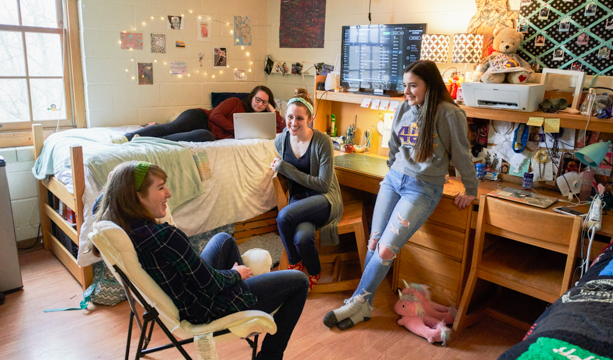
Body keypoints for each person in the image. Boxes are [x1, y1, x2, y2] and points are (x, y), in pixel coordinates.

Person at [95, 161, 308, 359]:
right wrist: (235, 274)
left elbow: (100, 204)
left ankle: (244, 301)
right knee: (299, 280)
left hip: (186, 290)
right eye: (160, 188)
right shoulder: (165, 237)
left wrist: (116, 180)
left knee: (224, 240)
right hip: (202, 306)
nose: (168, 194)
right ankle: (266, 350)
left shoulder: (124, 224)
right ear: (137, 197)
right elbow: (210, 283)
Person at [323, 60, 478, 330]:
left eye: (413, 85)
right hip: (394, 180)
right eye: (404, 85)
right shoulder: (404, 107)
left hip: (423, 188)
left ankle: (358, 302)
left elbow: (462, 154)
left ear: (430, 85)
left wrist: (471, 189)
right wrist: (394, 166)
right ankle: (364, 305)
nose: (406, 91)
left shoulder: (449, 113)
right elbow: (394, 142)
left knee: (386, 249)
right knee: (373, 242)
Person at [270, 88, 343, 291]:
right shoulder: (281, 140)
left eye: (300, 118)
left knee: (284, 217)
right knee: (302, 238)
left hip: (324, 199)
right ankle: (314, 271)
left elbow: (323, 184)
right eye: (290, 117)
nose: (293, 123)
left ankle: (294, 263)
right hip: (300, 202)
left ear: (310, 119)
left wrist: (286, 168)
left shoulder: (323, 142)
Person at [125, 85, 286, 141]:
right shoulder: (236, 102)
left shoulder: (258, 121)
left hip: (207, 132)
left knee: (205, 137)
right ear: (252, 97)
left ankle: (157, 140)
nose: (260, 104)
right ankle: (128, 137)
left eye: (264, 102)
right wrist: (237, 130)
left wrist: (273, 111)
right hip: (199, 117)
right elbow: (215, 116)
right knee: (171, 128)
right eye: (258, 99)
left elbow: (280, 129)